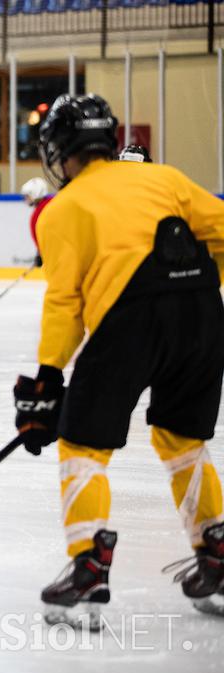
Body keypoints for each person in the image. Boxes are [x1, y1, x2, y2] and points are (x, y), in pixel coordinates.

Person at [13, 93, 224, 628]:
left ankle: (87, 569)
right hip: (202, 317)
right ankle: (217, 555)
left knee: (84, 443)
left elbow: (65, 303)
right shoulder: (166, 180)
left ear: (60, 151)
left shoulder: (61, 210)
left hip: (128, 324)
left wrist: (47, 376)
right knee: (182, 439)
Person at [20, 177, 52, 266]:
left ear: (35, 194)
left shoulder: (38, 214)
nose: (25, 199)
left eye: (27, 195)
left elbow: (40, 238)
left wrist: (41, 254)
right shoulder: (53, 203)